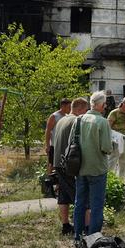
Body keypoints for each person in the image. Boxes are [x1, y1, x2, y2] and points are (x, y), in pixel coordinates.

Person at [73, 91, 113, 242]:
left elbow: (72, 142)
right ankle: (94, 238)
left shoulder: (78, 120)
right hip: (97, 168)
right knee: (96, 205)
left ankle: (77, 236)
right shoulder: (103, 122)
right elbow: (107, 148)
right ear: (101, 105)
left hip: (79, 168)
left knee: (79, 203)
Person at [51, 97, 89, 235]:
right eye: (85, 110)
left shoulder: (62, 119)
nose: (86, 113)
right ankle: (84, 228)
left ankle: (66, 225)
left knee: (63, 196)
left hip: (58, 162)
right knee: (80, 196)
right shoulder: (76, 121)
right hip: (69, 164)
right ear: (79, 109)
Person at [107, 96, 125, 182]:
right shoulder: (114, 113)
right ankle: (109, 181)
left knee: (124, 161)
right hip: (115, 141)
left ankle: (121, 182)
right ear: (124, 103)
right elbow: (108, 127)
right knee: (113, 161)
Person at [45, 98, 72, 172]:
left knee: (62, 165)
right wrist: (47, 145)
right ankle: (50, 181)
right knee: (52, 164)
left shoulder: (68, 116)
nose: (70, 109)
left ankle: (59, 182)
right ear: (63, 106)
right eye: (69, 107)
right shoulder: (54, 116)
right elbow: (48, 131)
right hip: (54, 145)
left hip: (64, 146)